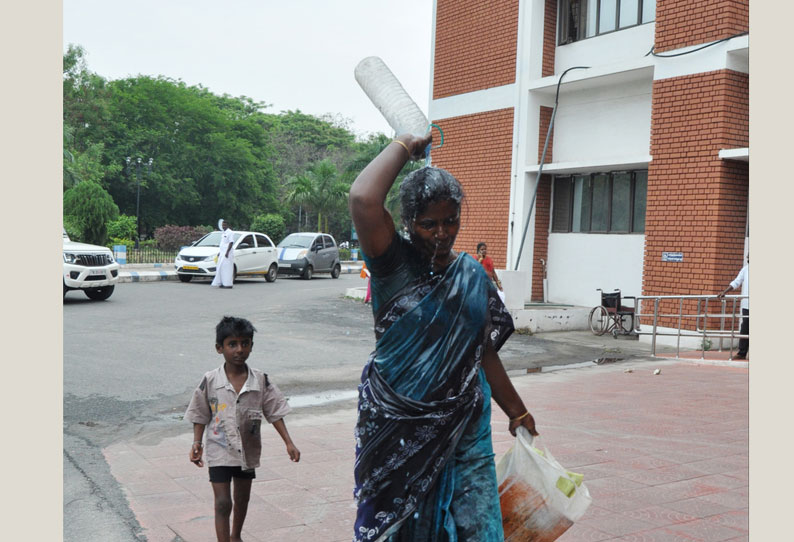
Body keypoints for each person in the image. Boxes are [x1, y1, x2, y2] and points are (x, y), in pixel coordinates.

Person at [348, 133, 538, 542]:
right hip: (400, 429)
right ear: (407, 222)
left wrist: (517, 411)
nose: (441, 233)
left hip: (466, 428)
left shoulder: (470, 275)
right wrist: (403, 144)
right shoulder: (391, 264)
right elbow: (363, 199)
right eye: (428, 223)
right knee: (402, 528)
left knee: (476, 523)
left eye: (450, 220)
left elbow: (482, 352)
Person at [185, 316, 300, 542]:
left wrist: (289, 442)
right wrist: (196, 443)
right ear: (220, 348)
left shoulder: (260, 380)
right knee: (222, 502)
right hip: (218, 449)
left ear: (251, 346)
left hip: (247, 451)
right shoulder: (210, 380)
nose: (239, 350)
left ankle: (236, 535)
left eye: (245, 343)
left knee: (242, 498)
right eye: (232, 344)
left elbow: (274, 411)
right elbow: (200, 413)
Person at [718, 255, 749, 359]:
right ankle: (742, 353)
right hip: (747, 305)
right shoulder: (745, 269)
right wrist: (724, 292)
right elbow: (736, 282)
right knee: (745, 328)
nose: (747, 256)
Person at [211, 219, 235, 288]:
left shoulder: (230, 232)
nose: (223, 226)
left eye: (224, 225)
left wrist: (227, 252)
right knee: (220, 268)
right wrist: (220, 253)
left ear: (228, 225)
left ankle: (228, 284)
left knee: (227, 269)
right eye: (222, 225)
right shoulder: (223, 233)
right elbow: (223, 244)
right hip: (222, 253)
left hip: (227, 254)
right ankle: (222, 282)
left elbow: (231, 242)